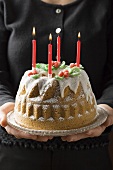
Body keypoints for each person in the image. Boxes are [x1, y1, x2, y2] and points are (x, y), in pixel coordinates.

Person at [0, 0, 113, 169]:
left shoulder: (106, 6)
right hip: (16, 154)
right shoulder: (7, 4)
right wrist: (4, 105)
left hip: (88, 154)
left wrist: (107, 109)